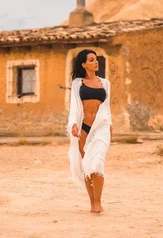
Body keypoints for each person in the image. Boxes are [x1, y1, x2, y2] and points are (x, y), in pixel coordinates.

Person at [66, 49, 113, 213]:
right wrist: (73, 123)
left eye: (96, 59)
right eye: (91, 60)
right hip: (84, 128)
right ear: (84, 64)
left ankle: (98, 201)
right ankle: (92, 203)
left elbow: (106, 108)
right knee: (86, 164)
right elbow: (74, 106)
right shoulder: (77, 83)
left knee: (98, 162)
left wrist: (110, 126)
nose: (95, 62)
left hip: (101, 127)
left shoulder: (105, 83)